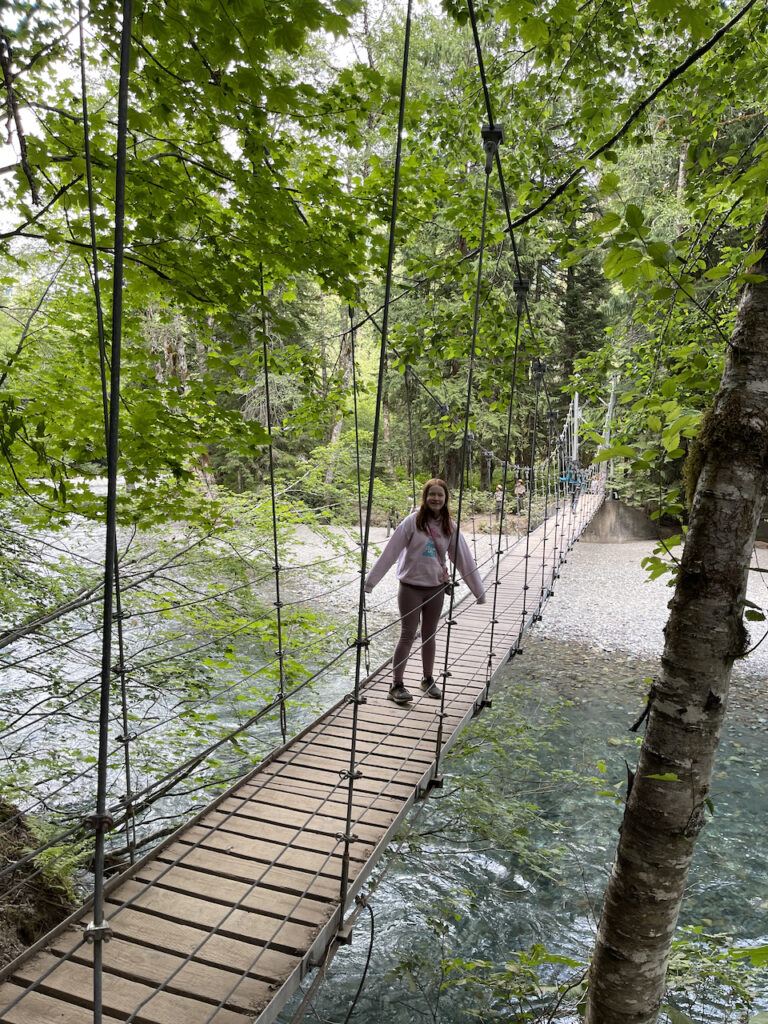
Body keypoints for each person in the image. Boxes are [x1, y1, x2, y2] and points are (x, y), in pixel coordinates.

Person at [364, 478, 487, 706]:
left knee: (430, 635)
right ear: (425, 497)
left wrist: (478, 592)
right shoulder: (412, 522)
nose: (436, 499)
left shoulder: (450, 526)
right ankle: (396, 685)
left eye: (440, 495)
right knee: (408, 634)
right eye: (432, 494)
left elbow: (463, 560)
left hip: (436, 588)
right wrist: (369, 583)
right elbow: (390, 554)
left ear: (446, 498)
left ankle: (427, 679)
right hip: (410, 587)